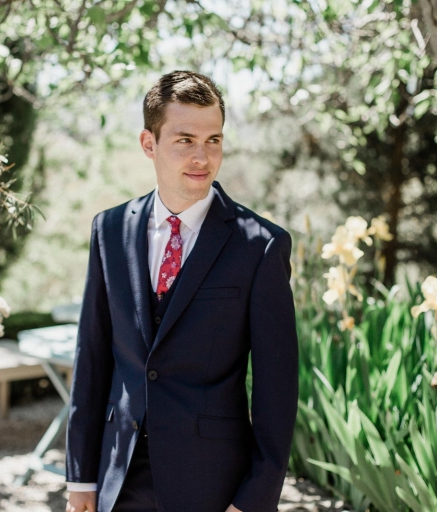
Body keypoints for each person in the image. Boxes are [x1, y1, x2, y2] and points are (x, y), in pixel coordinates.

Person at [64, 70, 298, 512]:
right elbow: (91, 359)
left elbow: (277, 391)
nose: (202, 157)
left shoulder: (261, 245)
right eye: (185, 140)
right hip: (119, 478)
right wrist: (81, 478)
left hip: (213, 486)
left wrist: (254, 500)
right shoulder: (109, 230)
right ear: (148, 144)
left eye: (213, 140)